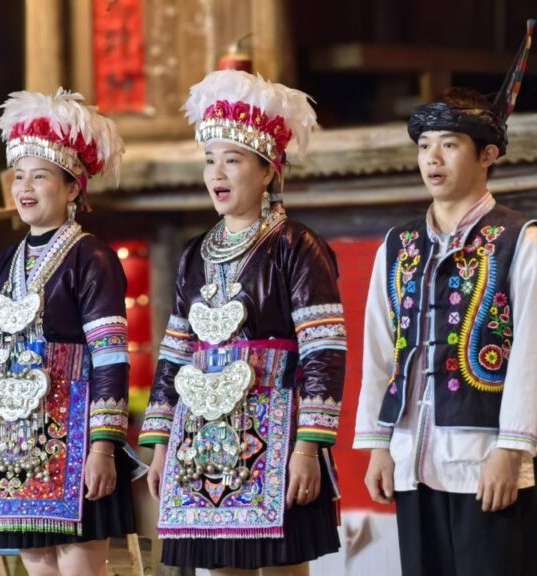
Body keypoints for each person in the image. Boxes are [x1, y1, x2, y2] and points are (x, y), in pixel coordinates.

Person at [139, 69, 347, 575]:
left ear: (269, 169)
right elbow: (174, 355)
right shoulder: (193, 256)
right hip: (203, 439)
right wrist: (161, 444)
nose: (218, 174)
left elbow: (323, 350)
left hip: (276, 434)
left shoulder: (297, 247)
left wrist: (308, 446)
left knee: (282, 569)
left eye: (232, 161)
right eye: (211, 161)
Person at [354, 20, 537, 576]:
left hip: (486, 459)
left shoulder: (520, 241)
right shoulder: (400, 244)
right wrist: (378, 445)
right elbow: (379, 348)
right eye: (425, 146)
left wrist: (513, 449)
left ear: (487, 156)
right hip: (414, 457)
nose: (432, 158)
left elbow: (532, 350)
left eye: (450, 145)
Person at [0, 89, 136, 576]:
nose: (25, 186)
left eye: (40, 175)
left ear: (73, 188)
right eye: (19, 176)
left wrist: (103, 446)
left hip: (74, 439)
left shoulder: (91, 257)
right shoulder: (5, 264)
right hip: (14, 442)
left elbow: (112, 357)